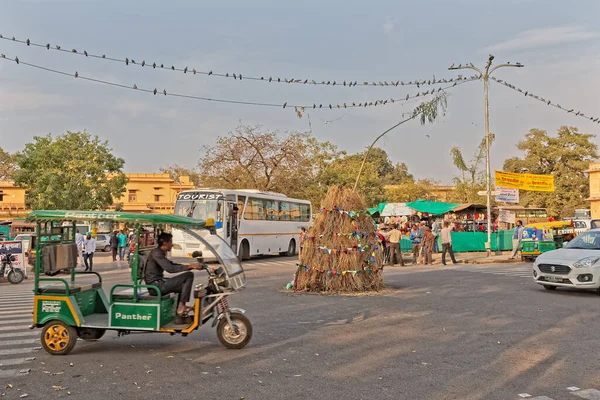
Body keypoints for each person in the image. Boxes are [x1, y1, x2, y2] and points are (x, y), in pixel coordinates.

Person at [144, 232, 202, 323]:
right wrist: (190, 267)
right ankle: (181, 307)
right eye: (171, 242)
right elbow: (170, 268)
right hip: (156, 286)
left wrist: (190, 266)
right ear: (165, 243)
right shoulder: (157, 253)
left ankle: (178, 315)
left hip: (158, 283)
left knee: (182, 286)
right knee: (189, 275)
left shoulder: (160, 253)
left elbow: (171, 264)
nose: (172, 244)